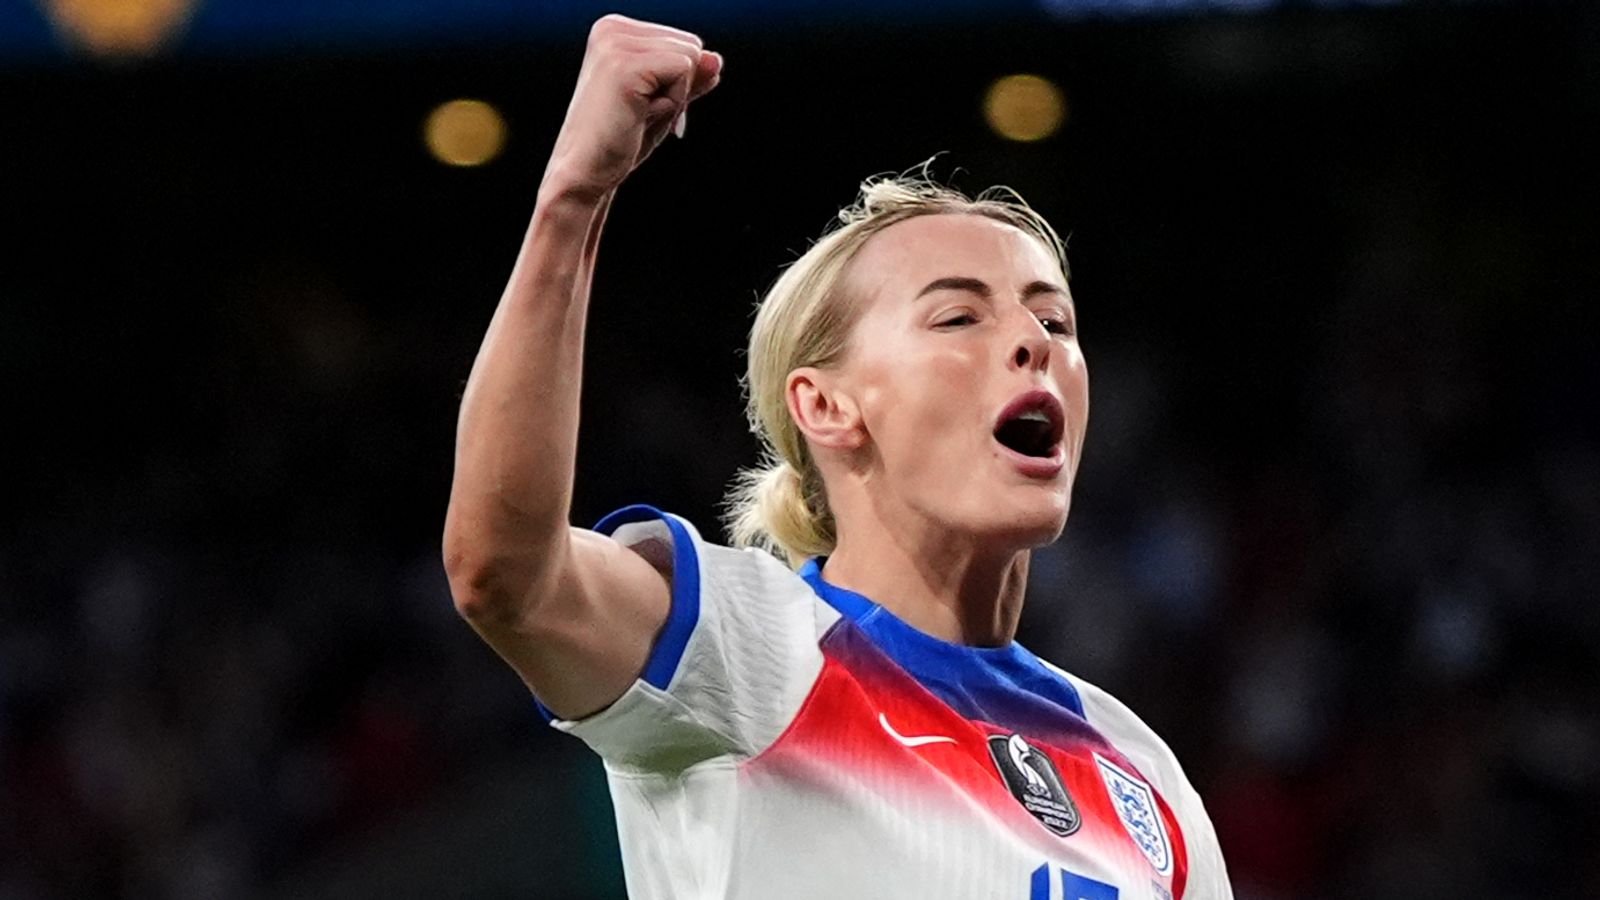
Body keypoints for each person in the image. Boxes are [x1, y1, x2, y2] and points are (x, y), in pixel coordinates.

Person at [443, 14, 1233, 900]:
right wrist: (572, 203)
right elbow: (507, 577)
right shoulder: (747, 648)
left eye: (1054, 318)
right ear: (825, 406)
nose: (1033, 341)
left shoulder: (1141, 773)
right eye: (958, 316)